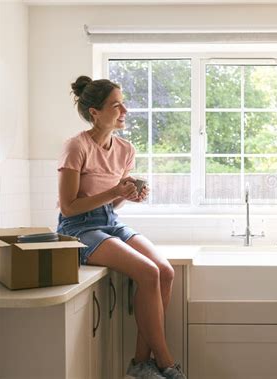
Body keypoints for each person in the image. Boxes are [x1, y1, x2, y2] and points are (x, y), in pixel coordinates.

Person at [57, 75, 186, 379]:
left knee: (165, 271)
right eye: (117, 105)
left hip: (109, 221)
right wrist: (115, 192)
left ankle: (140, 364)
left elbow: (111, 205)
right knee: (147, 271)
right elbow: (68, 207)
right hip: (77, 228)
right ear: (95, 113)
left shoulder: (125, 150)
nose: (125, 110)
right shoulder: (76, 146)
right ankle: (165, 363)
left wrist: (128, 195)